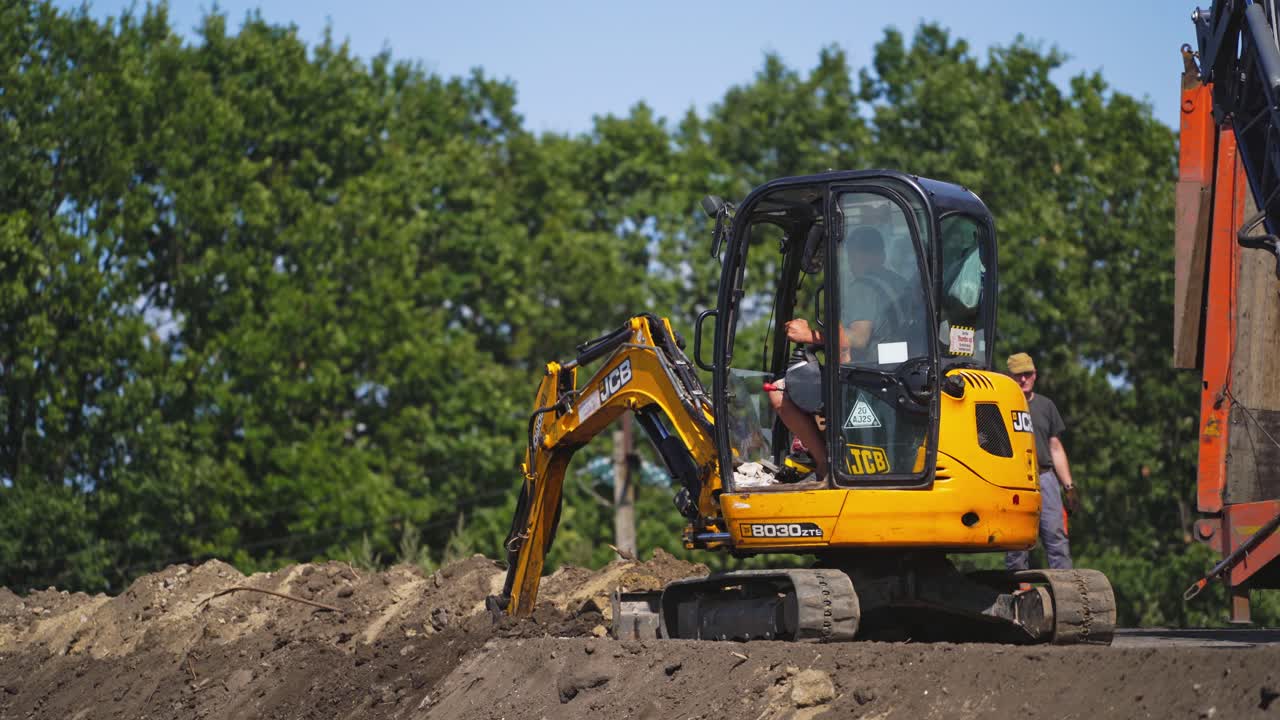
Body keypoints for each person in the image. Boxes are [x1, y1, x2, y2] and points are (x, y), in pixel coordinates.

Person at [766, 226, 906, 480]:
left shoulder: (864, 286)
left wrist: (807, 335)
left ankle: (824, 465)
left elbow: (857, 338)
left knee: (779, 392)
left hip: (865, 380)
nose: (852, 263)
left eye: (853, 256)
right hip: (896, 378)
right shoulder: (898, 285)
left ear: (862, 255)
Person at [1004, 352, 1078, 571]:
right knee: (1016, 542)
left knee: (1056, 536)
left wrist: (1069, 487)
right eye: (1018, 375)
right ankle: (1017, 592)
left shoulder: (1046, 406)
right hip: (1015, 480)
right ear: (1009, 377)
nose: (1023, 379)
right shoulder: (1002, 404)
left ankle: (1066, 590)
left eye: (1027, 374)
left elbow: (1055, 448)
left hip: (1045, 477)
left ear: (1035, 375)